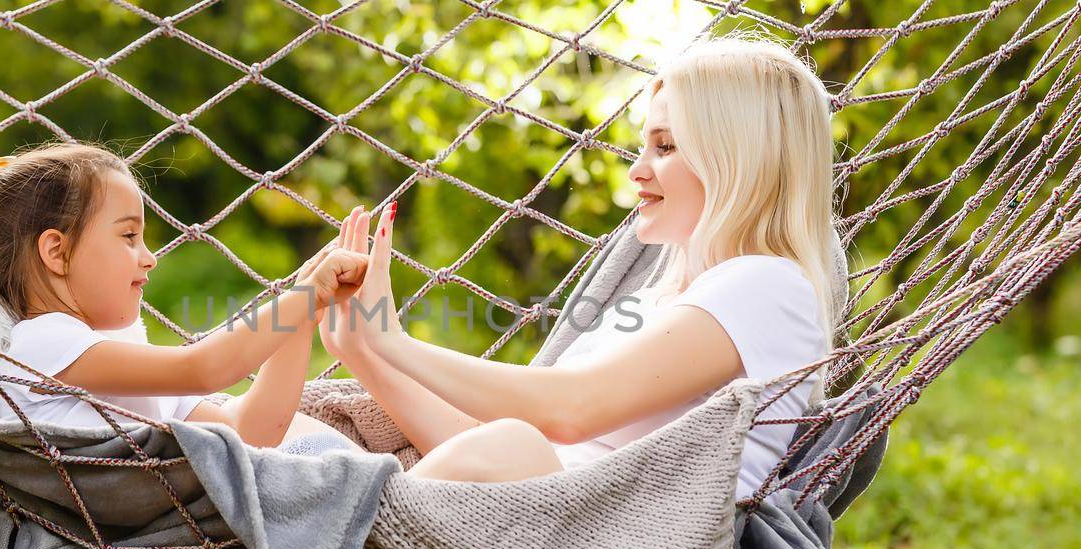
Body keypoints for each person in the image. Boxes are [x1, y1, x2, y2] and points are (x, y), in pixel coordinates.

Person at [320, 33, 845, 499]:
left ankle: (329, 540)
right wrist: (364, 351)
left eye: (664, 147)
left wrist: (397, 343)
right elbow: (483, 454)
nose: (637, 171)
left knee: (308, 477)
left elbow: (566, 414)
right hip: (530, 529)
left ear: (737, 159)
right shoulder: (654, 304)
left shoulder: (768, 285)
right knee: (285, 435)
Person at [0, 143, 367, 447]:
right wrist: (302, 297)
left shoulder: (118, 356)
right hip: (158, 540)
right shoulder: (42, 343)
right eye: (129, 236)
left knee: (329, 445)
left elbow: (252, 430)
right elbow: (204, 368)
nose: (149, 258)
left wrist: (303, 312)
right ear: (57, 252)